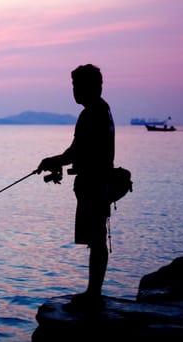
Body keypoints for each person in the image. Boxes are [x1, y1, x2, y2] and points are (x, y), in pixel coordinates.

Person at [35, 64, 115, 308]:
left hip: (95, 184)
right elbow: (80, 151)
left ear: (92, 86)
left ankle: (93, 294)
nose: (74, 90)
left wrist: (52, 161)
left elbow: (76, 151)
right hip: (96, 182)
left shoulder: (93, 113)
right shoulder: (101, 110)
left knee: (97, 238)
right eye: (73, 85)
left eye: (77, 85)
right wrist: (58, 162)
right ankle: (93, 292)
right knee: (96, 237)